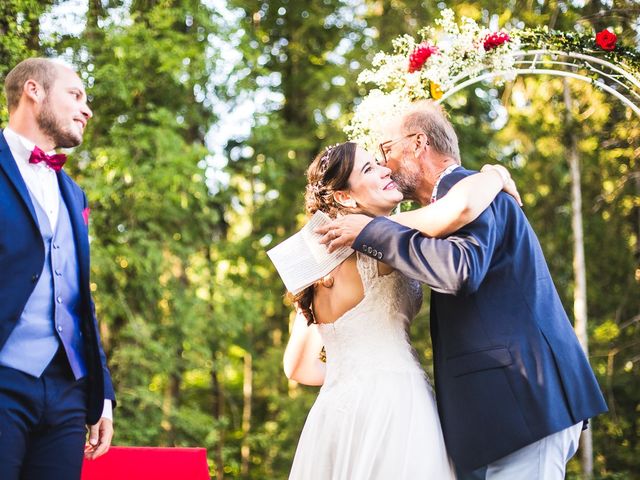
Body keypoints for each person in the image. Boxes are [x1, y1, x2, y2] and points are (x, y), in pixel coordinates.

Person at [316, 101, 608, 479]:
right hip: (505, 410)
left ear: (418, 143)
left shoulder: (468, 192)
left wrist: (373, 232)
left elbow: (459, 269)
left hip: (524, 402)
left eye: (385, 150)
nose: (384, 164)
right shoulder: (456, 200)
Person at [283, 140, 521, 479]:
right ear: (345, 197)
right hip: (394, 402)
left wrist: (351, 374)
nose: (385, 169)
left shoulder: (314, 263)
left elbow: (297, 367)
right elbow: (459, 208)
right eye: (368, 168)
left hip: (333, 412)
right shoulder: (380, 238)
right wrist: (495, 174)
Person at [0, 58, 115, 480]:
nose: (87, 110)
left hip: (68, 392)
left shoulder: (73, 192)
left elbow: (78, 296)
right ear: (34, 90)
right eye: (76, 95)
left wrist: (101, 395)